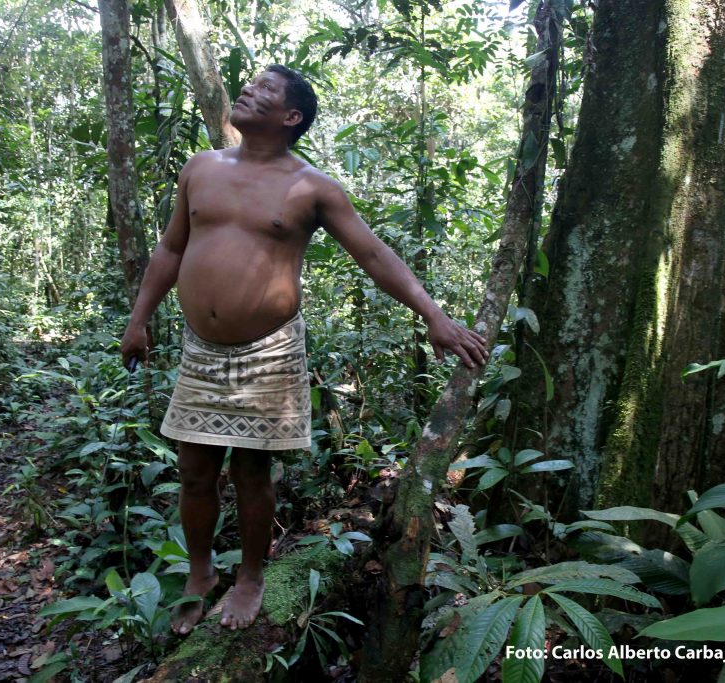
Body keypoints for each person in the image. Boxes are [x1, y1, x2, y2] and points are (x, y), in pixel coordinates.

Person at [120, 64, 488, 635]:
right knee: (193, 471)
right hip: (201, 350)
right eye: (250, 83)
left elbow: (374, 256)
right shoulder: (201, 168)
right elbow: (170, 249)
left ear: (291, 116)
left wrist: (435, 316)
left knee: (250, 470)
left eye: (265, 90)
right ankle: (200, 573)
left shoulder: (312, 187)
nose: (247, 89)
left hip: (268, 349)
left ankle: (250, 577)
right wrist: (138, 319)